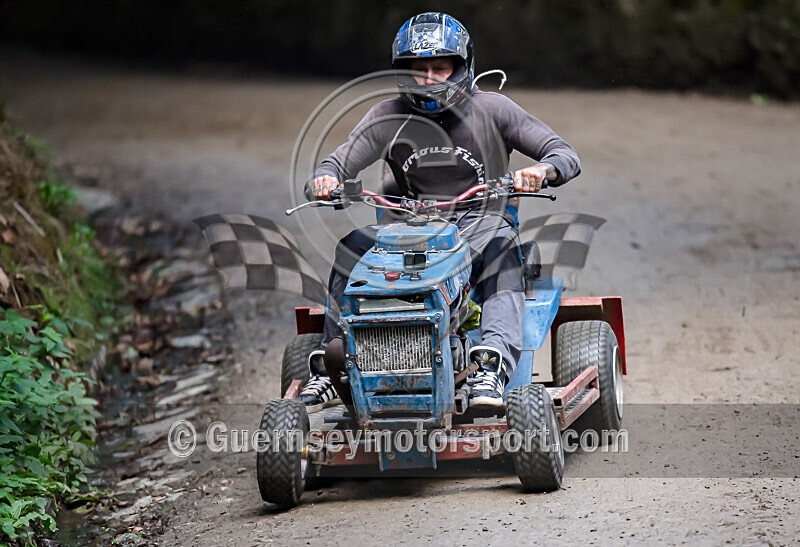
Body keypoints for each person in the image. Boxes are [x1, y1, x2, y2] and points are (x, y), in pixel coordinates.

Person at [299, 12, 581, 413]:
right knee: (351, 247)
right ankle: (332, 369)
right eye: (418, 70)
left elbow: (564, 153)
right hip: (412, 227)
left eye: (440, 67)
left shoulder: (494, 109)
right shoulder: (385, 116)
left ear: (462, 67)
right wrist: (325, 179)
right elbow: (338, 162)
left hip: (482, 221)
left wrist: (542, 170)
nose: (429, 78)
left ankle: (491, 363)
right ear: (402, 74)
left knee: (501, 253)